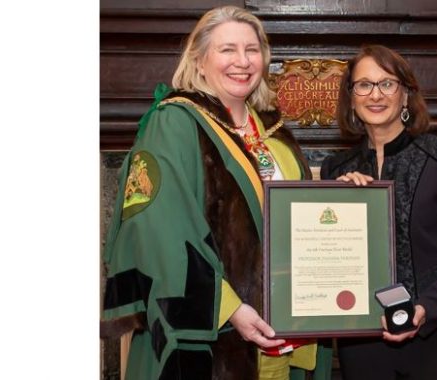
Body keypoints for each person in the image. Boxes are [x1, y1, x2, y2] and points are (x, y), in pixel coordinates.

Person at [100, 6, 329, 380]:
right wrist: (230, 309)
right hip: (211, 342)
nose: (242, 61)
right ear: (200, 60)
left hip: (286, 333)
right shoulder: (174, 123)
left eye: (252, 50)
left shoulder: (277, 136)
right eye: (227, 50)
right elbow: (160, 230)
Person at [320, 45, 437, 380]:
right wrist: (335, 200)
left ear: (405, 96)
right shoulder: (335, 170)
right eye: (364, 85)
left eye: (387, 84)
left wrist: (425, 308)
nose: (376, 94)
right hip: (364, 343)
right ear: (351, 97)